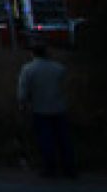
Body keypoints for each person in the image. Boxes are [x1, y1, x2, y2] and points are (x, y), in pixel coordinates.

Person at [17, 43, 76, 177]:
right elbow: (65, 86)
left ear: (33, 54)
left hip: (40, 108)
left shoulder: (28, 69)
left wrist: (22, 104)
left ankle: (50, 168)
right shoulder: (59, 68)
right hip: (59, 107)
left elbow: (22, 91)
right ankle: (69, 167)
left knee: (46, 139)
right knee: (64, 139)